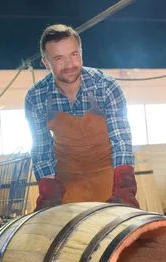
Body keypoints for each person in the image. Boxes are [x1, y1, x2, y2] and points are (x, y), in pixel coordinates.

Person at [24, 24, 139, 211]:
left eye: (74, 55)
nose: (69, 65)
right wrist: (49, 192)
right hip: (68, 180)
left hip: (108, 176)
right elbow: (41, 149)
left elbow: (121, 142)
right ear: (46, 63)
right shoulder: (36, 97)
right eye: (59, 59)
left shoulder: (105, 86)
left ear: (81, 54)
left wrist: (124, 190)